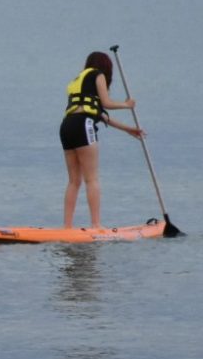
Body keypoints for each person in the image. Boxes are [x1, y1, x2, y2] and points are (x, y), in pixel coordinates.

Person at [58, 51, 144, 230]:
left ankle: (67, 227)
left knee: (74, 181)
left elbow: (103, 116)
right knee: (92, 179)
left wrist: (129, 130)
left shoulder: (79, 82)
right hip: (83, 125)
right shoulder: (98, 75)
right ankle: (96, 225)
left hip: (66, 127)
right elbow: (106, 103)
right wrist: (126, 105)